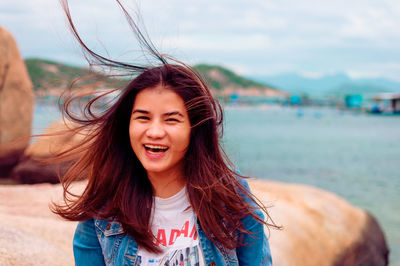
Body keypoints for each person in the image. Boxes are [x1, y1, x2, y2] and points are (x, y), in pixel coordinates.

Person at [52, 1, 278, 265]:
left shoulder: (230, 196)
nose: (155, 131)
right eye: (143, 118)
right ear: (127, 125)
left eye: (171, 120)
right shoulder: (103, 208)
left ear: (194, 130)